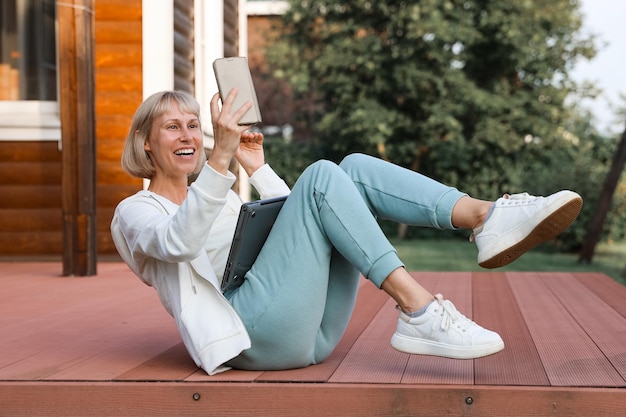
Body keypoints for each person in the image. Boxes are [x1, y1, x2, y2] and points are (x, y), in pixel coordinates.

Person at [110, 89, 583, 375]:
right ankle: (420, 310)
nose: (189, 135)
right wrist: (221, 161)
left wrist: (256, 167)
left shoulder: (223, 193)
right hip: (246, 337)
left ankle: (485, 217)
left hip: (307, 333)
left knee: (349, 170)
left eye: (194, 124)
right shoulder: (135, 212)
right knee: (322, 174)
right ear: (146, 144)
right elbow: (179, 242)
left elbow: (307, 219)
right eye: (172, 127)